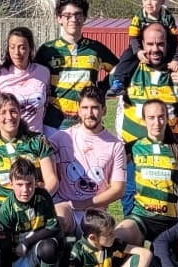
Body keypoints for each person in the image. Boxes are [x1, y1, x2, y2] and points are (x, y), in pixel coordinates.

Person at [0, 93, 59, 237]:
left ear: (20, 113)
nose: (9, 117)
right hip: (0, 205)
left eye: (13, 111)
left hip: (33, 202)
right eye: (3, 113)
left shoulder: (37, 141)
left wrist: (36, 198)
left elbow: (52, 181)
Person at [114, 99, 178, 248]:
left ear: (167, 118)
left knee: (163, 263)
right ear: (144, 120)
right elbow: (112, 173)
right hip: (141, 218)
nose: (156, 123)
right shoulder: (132, 148)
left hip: (169, 221)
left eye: (161, 117)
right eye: (151, 118)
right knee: (119, 236)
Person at [47, 86, 128, 233]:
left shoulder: (115, 145)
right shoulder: (63, 137)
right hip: (66, 206)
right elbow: (38, 151)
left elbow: (118, 189)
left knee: (101, 241)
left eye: (95, 108)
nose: (89, 113)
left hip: (96, 211)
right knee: (58, 220)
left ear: (104, 110)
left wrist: (85, 203)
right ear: (79, 110)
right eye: (85, 108)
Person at [34, 0, 117, 129]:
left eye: (78, 14)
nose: (73, 19)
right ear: (59, 19)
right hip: (55, 124)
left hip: (86, 123)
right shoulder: (47, 49)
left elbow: (119, 69)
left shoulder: (96, 49)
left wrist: (101, 89)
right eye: (67, 15)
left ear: (84, 18)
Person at [114, 23, 178, 147]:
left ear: (168, 44)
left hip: (171, 150)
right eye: (150, 44)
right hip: (133, 152)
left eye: (160, 44)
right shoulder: (127, 69)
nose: (155, 49)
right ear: (142, 45)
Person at [108, 0, 178, 97]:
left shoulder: (167, 17)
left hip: (163, 47)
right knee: (126, 58)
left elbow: (174, 40)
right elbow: (133, 37)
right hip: (139, 45)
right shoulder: (139, 16)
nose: (148, 3)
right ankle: (119, 82)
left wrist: (176, 58)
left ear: (162, 0)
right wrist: (138, 52)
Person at [0, 26, 52, 133]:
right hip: (8, 140)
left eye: (22, 47)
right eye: (12, 47)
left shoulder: (43, 72)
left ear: (30, 48)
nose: (16, 52)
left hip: (35, 140)